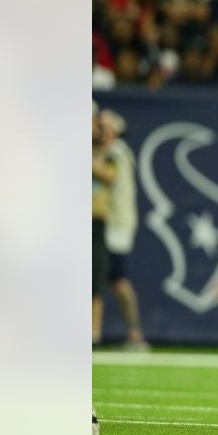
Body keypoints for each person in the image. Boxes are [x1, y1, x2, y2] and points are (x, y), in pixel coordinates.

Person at [99, 109, 148, 350]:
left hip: (115, 224)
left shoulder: (115, 152)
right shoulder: (115, 151)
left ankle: (134, 333)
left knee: (117, 279)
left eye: (104, 127)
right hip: (112, 222)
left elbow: (109, 177)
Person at [92, 103, 118, 347]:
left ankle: (94, 335)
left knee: (95, 280)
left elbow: (111, 176)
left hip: (97, 222)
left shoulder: (108, 154)